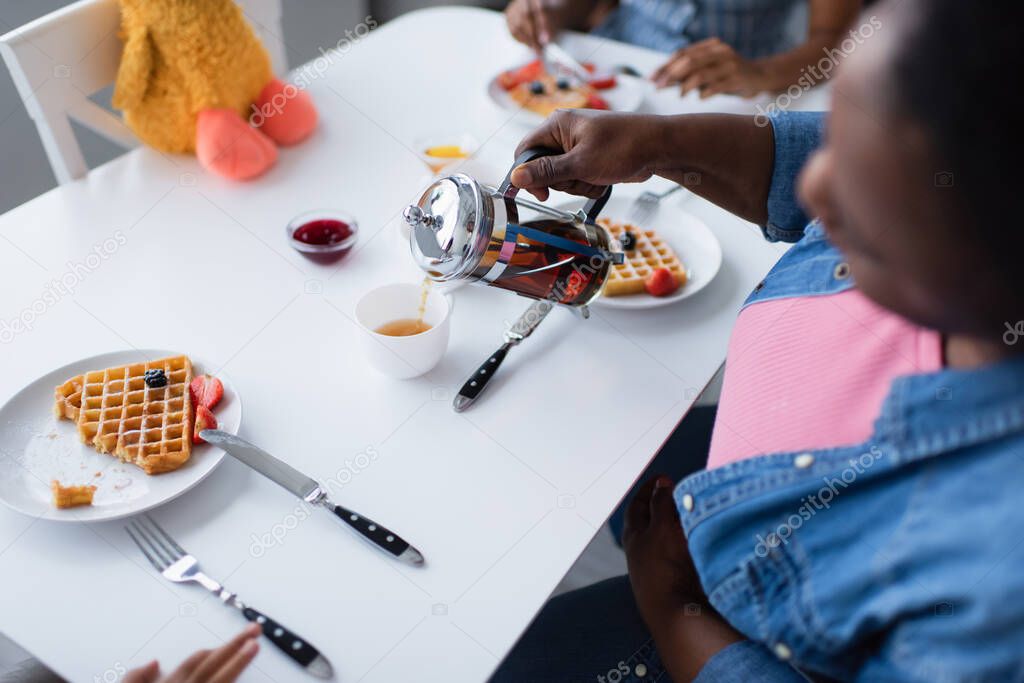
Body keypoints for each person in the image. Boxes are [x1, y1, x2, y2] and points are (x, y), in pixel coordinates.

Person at [492, 0, 1024, 680]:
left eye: (859, 189)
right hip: (736, 477)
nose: (813, 185)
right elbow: (813, 150)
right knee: (585, 433)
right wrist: (657, 143)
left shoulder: (995, 584)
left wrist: (676, 608)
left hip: (727, 628)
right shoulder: (948, 165)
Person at [504, 0, 861, 97]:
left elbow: (837, 43)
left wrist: (759, 74)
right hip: (617, 68)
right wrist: (550, 10)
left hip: (748, 90)